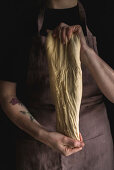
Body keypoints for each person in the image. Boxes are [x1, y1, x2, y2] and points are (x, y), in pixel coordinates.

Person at [0, 0, 114, 169]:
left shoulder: (102, 13)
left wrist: (85, 52)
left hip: (94, 148)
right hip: (37, 147)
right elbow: (7, 95)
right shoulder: (21, 19)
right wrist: (43, 135)